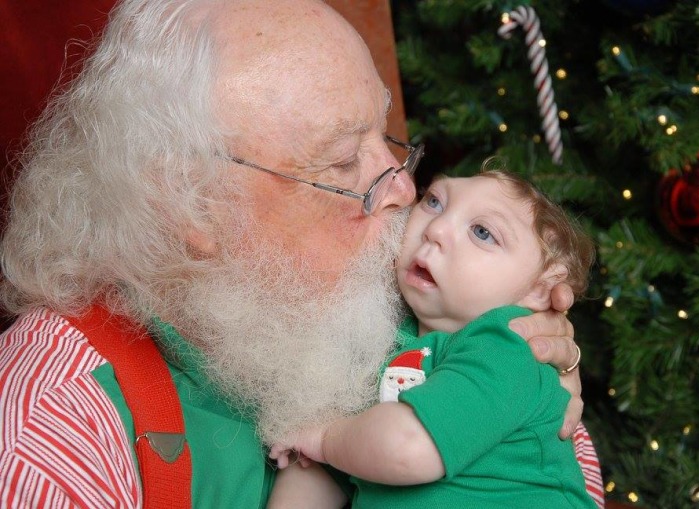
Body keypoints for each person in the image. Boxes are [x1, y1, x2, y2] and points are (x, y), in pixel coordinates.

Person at [0, 1, 585, 507]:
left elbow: (556, 468)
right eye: (340, 163)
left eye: (382, 136)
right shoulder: (55, 428)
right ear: (194, 206)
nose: (406, 190)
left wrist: (545, 376)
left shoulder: (393, 287)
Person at [268, 168, 597, 508]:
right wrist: (322, 447)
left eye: (482, 232)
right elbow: (329, 468)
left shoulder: (510, 344)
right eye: (435, 202)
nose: (435, 230)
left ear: (541, 287)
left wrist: (324, 437)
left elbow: (406, 447)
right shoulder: (383, 337)